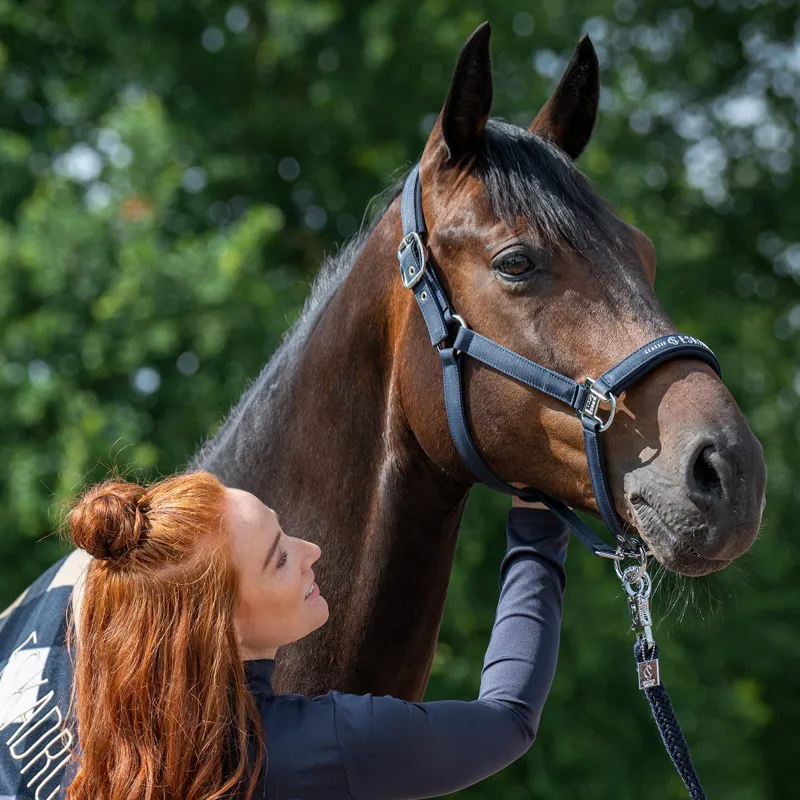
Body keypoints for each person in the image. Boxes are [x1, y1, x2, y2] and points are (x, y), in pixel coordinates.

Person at [0, 469, 568, 799]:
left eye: (285, 532)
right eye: (278, 558)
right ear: (217, 629)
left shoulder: (99, 730)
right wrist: (538, 524)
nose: (310, 551)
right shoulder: (320, 747)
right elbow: (508, 719)